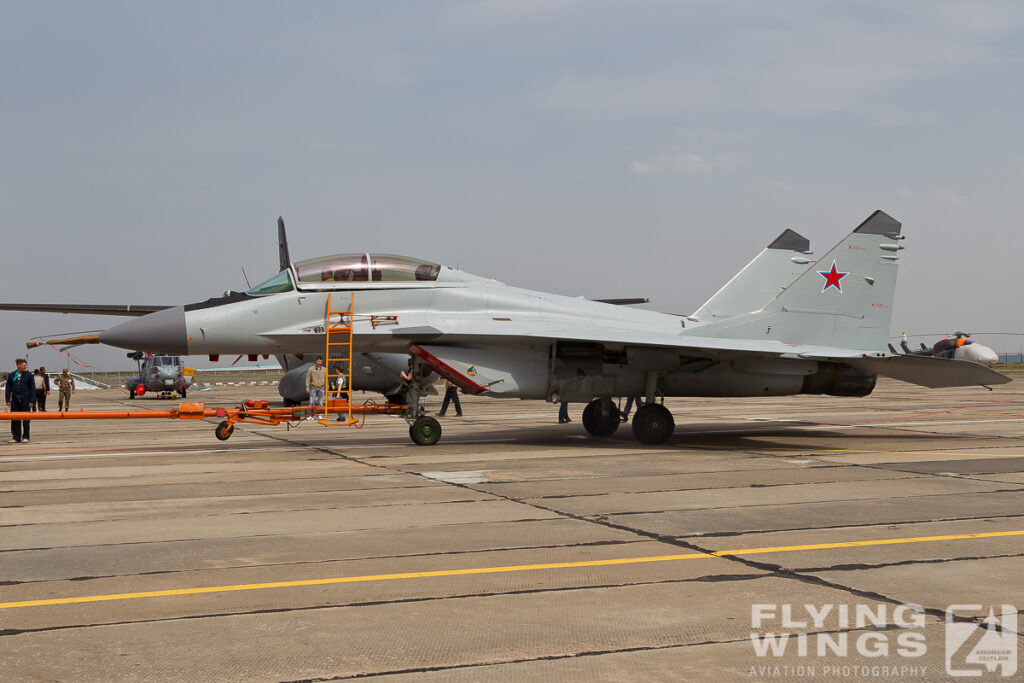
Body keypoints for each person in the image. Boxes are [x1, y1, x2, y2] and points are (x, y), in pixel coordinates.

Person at [6, 358, 36, 443]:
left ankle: (26, 437)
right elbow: (8, 388)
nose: (25, 366)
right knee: (15, 419)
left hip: (26, 400)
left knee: (26, 419)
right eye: (23, 365)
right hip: (15, 400)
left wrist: (32, 401)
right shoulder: (12, 375)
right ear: (18, 366)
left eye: (25, 365)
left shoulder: (29, 375)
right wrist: (8, 400)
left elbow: (33, 389)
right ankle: (16, 437)